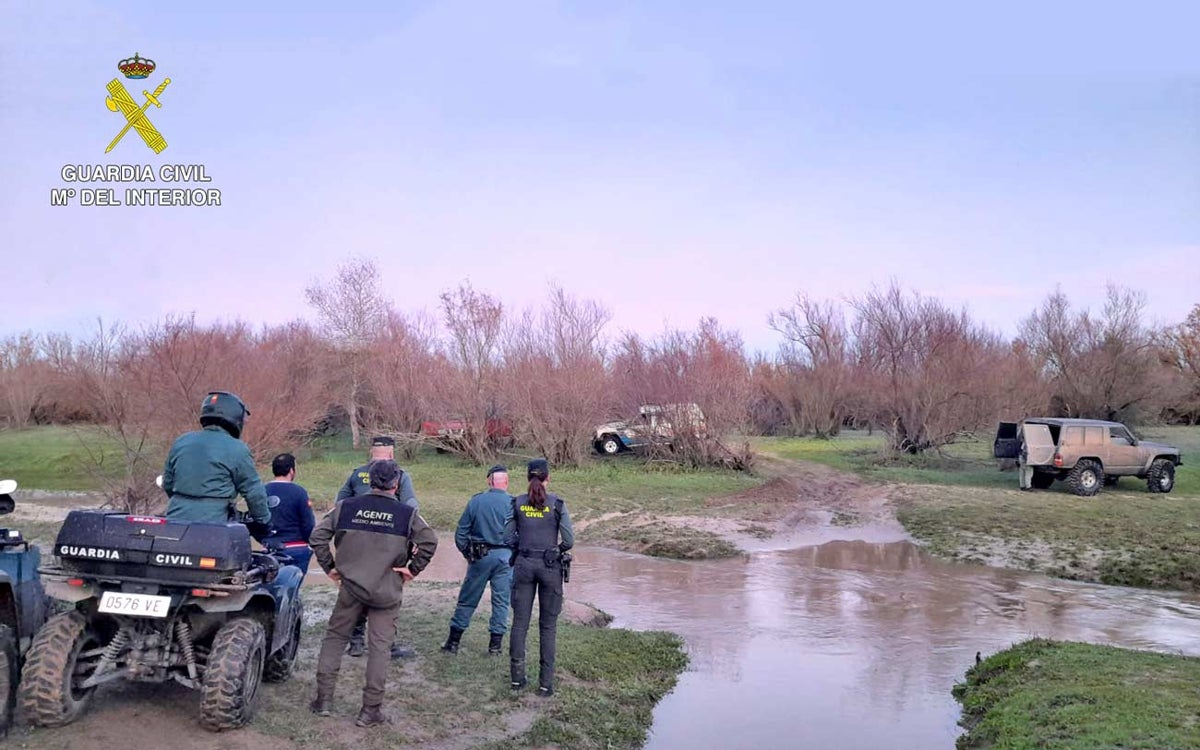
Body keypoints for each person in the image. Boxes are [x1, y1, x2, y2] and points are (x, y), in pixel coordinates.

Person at [308, 459, 438, 727]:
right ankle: (370, 711)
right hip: (386, 589)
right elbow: (429, 541)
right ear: (396, 483)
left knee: (335, 638)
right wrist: (412, 570)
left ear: (370, 480)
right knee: (380, 648)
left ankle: (323, 701)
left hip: (350, 588)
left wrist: (331, 568)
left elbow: (318, 536)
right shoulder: (407, 514)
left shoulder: (346, 507)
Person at [337, 435, 420, 659]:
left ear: (371, 453)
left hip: (357, 544)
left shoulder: (356, 474)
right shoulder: (399, 475)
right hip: (388, 544)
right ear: (392, 454)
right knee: (386, 591)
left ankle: (355, 641)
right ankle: (386, 644)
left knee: (357, 587)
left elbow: (340, 503)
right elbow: (411, 505)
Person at [506, 458, 574, 697]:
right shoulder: (557, 504)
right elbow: (569, 541)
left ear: (527, 478)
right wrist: (555, 550)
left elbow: (506, 537)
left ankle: (517, 679)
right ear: (548, 478)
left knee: (520, 623)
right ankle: (545, 684)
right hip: (550, 567)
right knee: (548, 627)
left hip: (524, 565)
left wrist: (521, 546)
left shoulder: (517, 503)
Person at [162, 391, 271, 526]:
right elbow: (253, 492)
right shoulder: (237, 449)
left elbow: (167, 483)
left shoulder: (181, 442)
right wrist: (264, 520)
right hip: (214, 526)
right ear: (236, 418)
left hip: (174, 521)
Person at [441, 464, 514, 656]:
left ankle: (453, 643)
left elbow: (461, 533)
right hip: (506, 558)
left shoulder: (476, 501)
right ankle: (495, 647)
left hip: (480, 557)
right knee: (501, 602)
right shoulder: (514, 503)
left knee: (467, 600)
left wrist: (467, 553)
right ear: (506, 482)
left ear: (489, 481)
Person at [263, 453, 316, 579]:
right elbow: (308, 523)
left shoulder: (262, 491)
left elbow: (254, 520)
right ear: (292, 471)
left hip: (269, 549)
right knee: (292, 589)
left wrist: (265, 540)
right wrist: (311, 543)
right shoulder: (299, 492)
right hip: (296, 548)